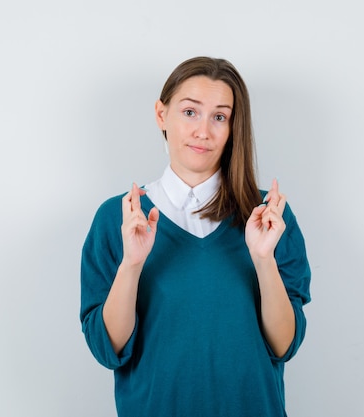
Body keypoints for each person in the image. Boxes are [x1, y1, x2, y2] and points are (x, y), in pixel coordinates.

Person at [79, 56, 311, 417]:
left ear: (233, 127)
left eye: (219, 117)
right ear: (162, 115)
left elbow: (284, 345)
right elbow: (108, 348)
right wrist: (132, 264)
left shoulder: (269, 216)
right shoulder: (118, 218)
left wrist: (263, 261)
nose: (203, 131)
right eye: (190, 112)